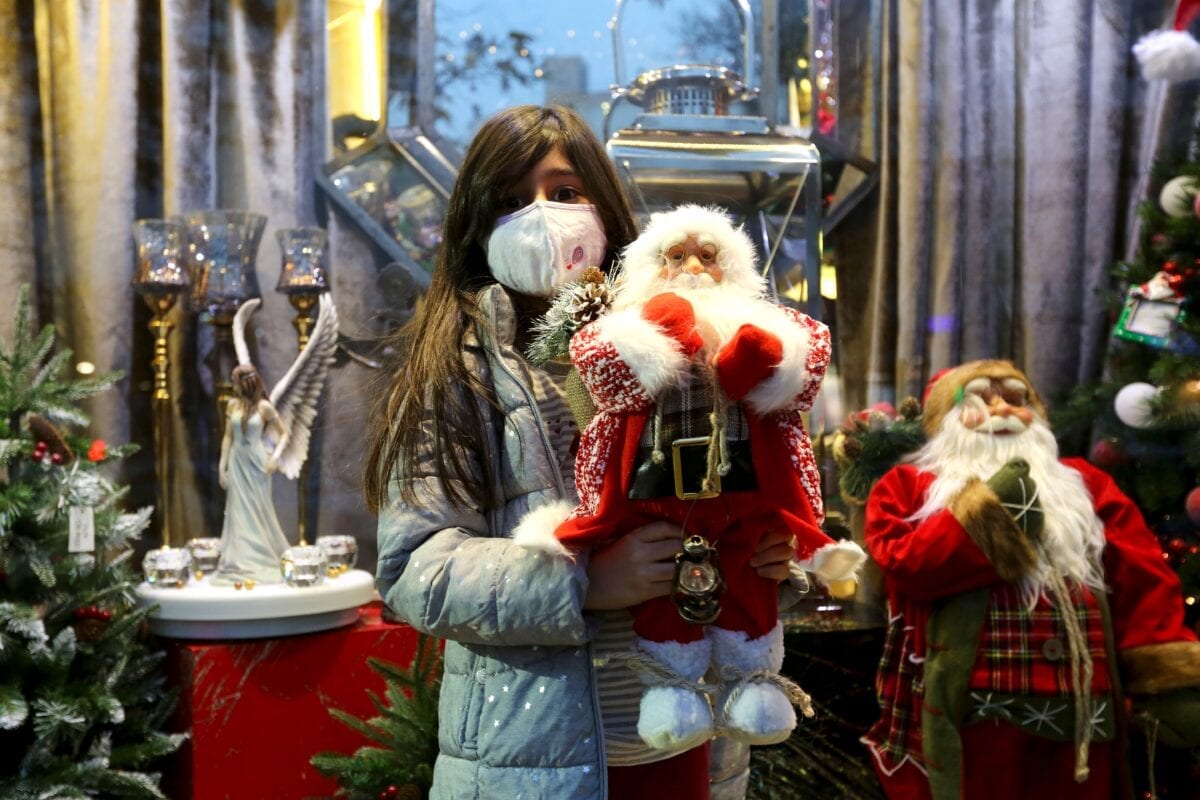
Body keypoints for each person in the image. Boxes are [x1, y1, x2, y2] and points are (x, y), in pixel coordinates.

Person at [365, 105, 799, 800]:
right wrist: (583, 583)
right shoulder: (455, 371)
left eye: (565, 192)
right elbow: (414, 567)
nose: (543, 214)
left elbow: (742, 490)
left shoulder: (689, 350)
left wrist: (775, 554)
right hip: (529, 759)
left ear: (605, 205)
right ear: (478, 224)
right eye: (511, 199)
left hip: (687, 739)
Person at [513, 205, 864, 751]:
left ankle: (755, 686)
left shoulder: (765, 325)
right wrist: (660, 336)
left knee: (748, 576)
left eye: (708, 257)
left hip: (744, 501)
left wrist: (755, 359)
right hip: (653, 507)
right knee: (662, 586)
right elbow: (611, 383)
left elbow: (796, 375)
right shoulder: (618, 330)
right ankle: (673, 691)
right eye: (677, 257)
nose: (693, 268)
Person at [861, 359, 1200, 800]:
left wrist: (1166, 677)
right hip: (972, 714)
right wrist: (993, 515)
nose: (1000, 408)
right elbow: (909, 566)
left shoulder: (1085, 483)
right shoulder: (906, 487)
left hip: (1083, 714)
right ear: (944, 422)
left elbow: (1141, 576)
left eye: (1016, 398)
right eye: (979, 398)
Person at [213, 364, 290, 585]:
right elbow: (228, 437)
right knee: (238, 511)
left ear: (245, 383)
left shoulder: (264, 407)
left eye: (235, 381)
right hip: (238, 461)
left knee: (259, 509)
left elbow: (284, 434)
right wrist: (222, 466)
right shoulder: (232, 405)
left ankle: (263, 556)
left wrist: (275, 457)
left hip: (258, 463)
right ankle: (240, 560)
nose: (233, 386)